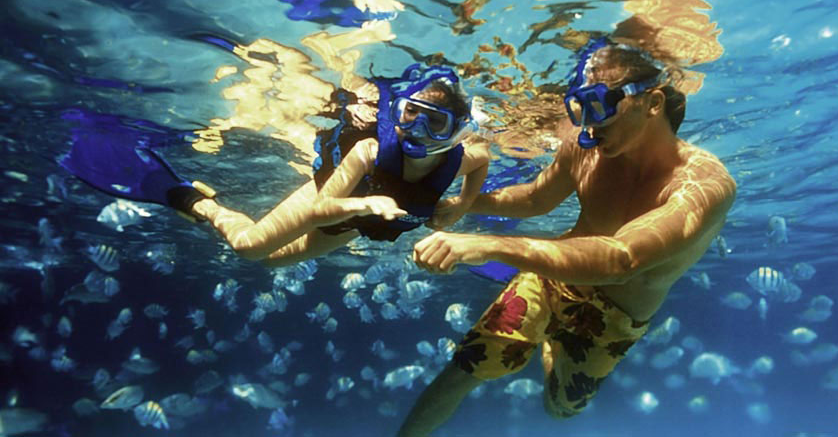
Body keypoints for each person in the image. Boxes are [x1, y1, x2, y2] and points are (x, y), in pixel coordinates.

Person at [397, 37, 737, 436]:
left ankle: (548, 344)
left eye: (599, 104)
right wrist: (464, 202)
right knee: (464, 370)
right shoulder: (585, 147)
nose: (589, 122)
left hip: (615, 318)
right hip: (551, 277)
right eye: (580, 107)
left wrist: (487, 245)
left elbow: (621, 260)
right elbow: (537, 198)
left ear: (653, 103)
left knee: (561, 408)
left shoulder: (704, 183)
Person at [61, 63, 491, 267]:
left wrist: (463, 203)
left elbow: (483, 157)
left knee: (271, 262)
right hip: (339, 206)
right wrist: (366, 205)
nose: (414, 131)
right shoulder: (370, 154)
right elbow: (321, 208)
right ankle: (194, 201)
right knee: (249, 247)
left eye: (434, 124)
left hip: (354, 225)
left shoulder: (458, 158)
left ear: (454, 133)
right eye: (409, 115)